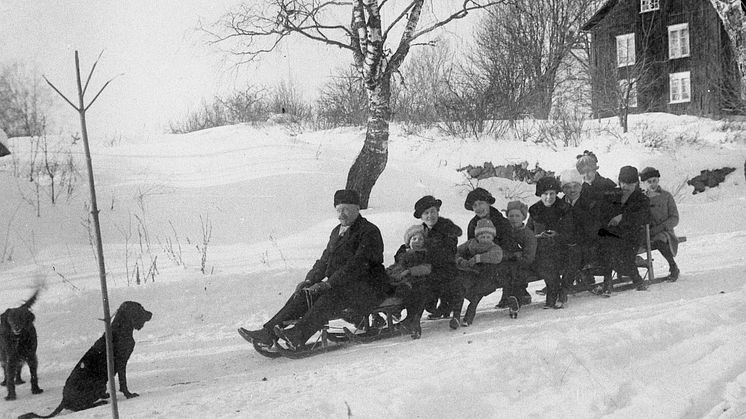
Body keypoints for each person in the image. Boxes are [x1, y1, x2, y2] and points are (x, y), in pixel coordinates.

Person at [238, 189, 389, 350]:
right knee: (305, 294)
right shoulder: (337, 231)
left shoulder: (369, 231)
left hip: (370, 286)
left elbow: (358, 264)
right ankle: (268, 333)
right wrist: (310, 280)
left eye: (345, 209)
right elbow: (325, 261)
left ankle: (298, 335)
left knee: (329, 297)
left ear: (357, 209)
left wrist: (328, 284)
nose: (341, 214)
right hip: (343, 284)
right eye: (338, 210)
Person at [464, 187, 530, 306]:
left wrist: (494, 255)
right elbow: (472, 244)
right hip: (484, 259)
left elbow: (509, 245)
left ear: (488, 203)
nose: (478, 208)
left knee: (507, 268)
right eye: (475, 205)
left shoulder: (501, 221)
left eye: (481, 203)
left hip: (504, 256)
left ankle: (514, 295)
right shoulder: (473, 224)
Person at [597, 166, 651, 295]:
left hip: (633, 234)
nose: (625, 187)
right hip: (613, 234)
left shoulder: (641, 198)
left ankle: (636, 278)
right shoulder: (612, 195)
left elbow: (645, 217)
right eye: (623, 183)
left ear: (636, 183)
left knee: (621, 251)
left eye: (630, 184)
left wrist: (623, 217)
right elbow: (603, 212)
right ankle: (607, 280)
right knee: (607, 245)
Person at [412, 195, 464, 330]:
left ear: (438, 212)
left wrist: (425, 251)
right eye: (426, 213)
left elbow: (448, 251)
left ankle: (448, 309)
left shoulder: (446, 229)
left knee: (436, 283)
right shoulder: (420, 230)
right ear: (421, 217)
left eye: (433, 211)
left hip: (445, 267)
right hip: (429, 267)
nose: (430, 216)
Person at [526, 176, 574, 308]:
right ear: (540, 195)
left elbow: (570, 232)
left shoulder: (564, 208)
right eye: (545, 194)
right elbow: (528, 233)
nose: (549, 197)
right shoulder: (535, 210)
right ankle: (553, 292)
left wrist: (557, 235)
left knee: (553, 261)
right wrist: (537, 236)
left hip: (561, 249)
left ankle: (557, 292)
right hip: (541, 250)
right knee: (543, 260)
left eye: (552, 193)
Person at [455, 219, 506, 326]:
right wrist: (460, 260)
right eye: (482, 237)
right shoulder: (471, 244)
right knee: (460, 287)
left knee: (477, 293)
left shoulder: (494, 247)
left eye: (488, 237)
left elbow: (497, 256)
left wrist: (479, 258)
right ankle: (456, 315)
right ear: (477, 236)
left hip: (487, 276)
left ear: (492, 237)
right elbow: (456, 251)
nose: (485, 239)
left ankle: (470, 314)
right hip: (470, 274)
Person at [386, 224, 432, 339]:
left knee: (415, 293)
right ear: (408, 241)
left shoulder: (424, 254)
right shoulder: (403, 254)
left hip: (417, 281)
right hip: (402, 281)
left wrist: (409, 271)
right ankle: (399, 316)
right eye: (414, 239)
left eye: (420, 239)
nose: (417, 241)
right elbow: (397, 266)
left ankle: (413, 321)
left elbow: (426, 268)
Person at [560, 168, 601, 288]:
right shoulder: (560, 205)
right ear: (563, 189)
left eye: (575, 186)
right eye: (568, 187)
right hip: (568, 243)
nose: (572, 190)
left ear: (581, 187)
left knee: (576, 251)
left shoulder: (589, 203)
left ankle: (566, 285)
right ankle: (557, 283)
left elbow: (594, 227)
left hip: (588, 242)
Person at [640, 166, 680, 281]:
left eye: (655, 181)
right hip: (647, 232)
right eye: (649, 182)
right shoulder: (642, 198)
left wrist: (662, 227)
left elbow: (675, 218)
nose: (652, 184)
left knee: (659, 240)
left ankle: (673, 266)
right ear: (644, 183)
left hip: (665, 232)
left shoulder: (666, 196)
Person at [501, 201, 537, 314]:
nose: (514, 219)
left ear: (523, 217)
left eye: (517, 216)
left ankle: (516, 299)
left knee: (517, 273)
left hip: (526, 265)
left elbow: (528, 258)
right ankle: (507, 297)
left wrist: (516, 256)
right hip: (509, 262)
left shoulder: (528, 234)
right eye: (511, 216)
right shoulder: (505, 231)